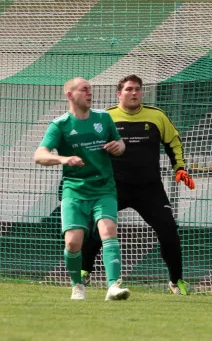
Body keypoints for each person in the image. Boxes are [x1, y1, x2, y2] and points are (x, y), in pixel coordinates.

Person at [80, 75, 196, 295]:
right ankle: (85, 271)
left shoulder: (156, 116)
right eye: (129, 89)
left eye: (137, 90)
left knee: (169, 230)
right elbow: (90, 147)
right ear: (119, 93)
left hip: (150, 189)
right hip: (114, 188)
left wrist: (179, 167)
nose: (134, 93)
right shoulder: (106, 117)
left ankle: (176, 281)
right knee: (96, 228)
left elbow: (173, 141)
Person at [34, 77, 130, 301]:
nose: (90, 93)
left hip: (103, 188)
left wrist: (119, 146)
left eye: (91, 89)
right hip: (74, 191)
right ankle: (78, 286)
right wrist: (64, 159)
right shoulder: (60, 125)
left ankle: (113, 287)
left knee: (108, 231)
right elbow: (39, 155)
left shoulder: (103, 118)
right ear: (70, 95)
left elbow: (120, 143)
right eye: (84, 89)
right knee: (72, 242)